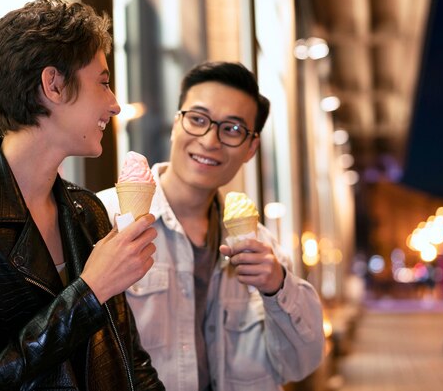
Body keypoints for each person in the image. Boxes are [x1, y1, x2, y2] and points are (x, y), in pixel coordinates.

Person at [0, 0, 164, 390]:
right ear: (53, 85)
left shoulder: (86, 210)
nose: (114, 104)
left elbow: (130, 363)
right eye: (103, 82)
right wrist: (89, 292)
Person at [98, 61, 325, 390]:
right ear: (176, 124)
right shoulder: (105, 218)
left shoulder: (260, 247)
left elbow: (299, 364)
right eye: (197, 119)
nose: (209, 140)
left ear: (251, 148)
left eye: (232, 129)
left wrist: (278, 286)